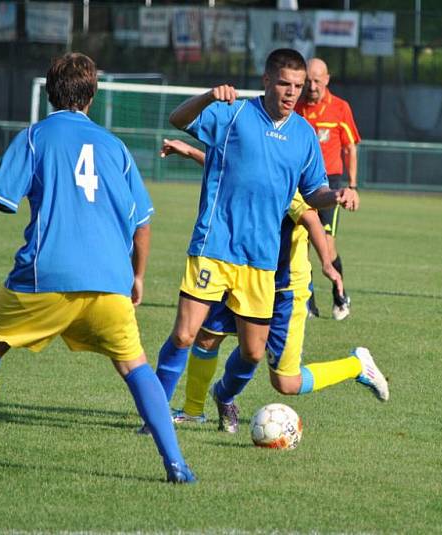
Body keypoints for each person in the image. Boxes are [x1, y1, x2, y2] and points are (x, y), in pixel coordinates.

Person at [0, 53, 195, 483]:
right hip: (109, 282)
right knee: (135, 366)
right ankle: (176, 464)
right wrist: (137, 275)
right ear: (92, 95)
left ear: (51, 91)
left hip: (44, 277)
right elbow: (142, 222)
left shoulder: (35, 138)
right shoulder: (116, 147)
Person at [153, 49, 359, 429]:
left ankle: (223, 396)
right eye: (284, 83)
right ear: (266, 80)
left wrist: (338, 195)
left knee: (252, 353)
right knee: (185, 335)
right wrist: (208, 96)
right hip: (215, 246)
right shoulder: (234, 114)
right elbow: (177, 118)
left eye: (298, 86)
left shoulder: (303, 136)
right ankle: (154, 418)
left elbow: (313, 192)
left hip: (262, 260)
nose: (292, 92)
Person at [153, 139, 388, 433]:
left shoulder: (285, 181)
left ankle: (356, 365)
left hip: (283, 289)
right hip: (243, 271)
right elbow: (230, 168)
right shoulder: (256, 166)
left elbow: (312, 219)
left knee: (285, 381)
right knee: (206, 337)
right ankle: (192, 410)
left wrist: (327, 263)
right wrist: (189, 152)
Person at [295, 57, 361, 321]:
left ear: (327, 79)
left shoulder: (340, 108)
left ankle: (339, 295)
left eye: (317, 80)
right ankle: (308, 302)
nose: (312, 86)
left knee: (327, 246)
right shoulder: (295, 107)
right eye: (308, 80)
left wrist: (352, 185)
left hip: (330, 184)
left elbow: (350, 147)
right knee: (301, 244)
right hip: (299, 182)